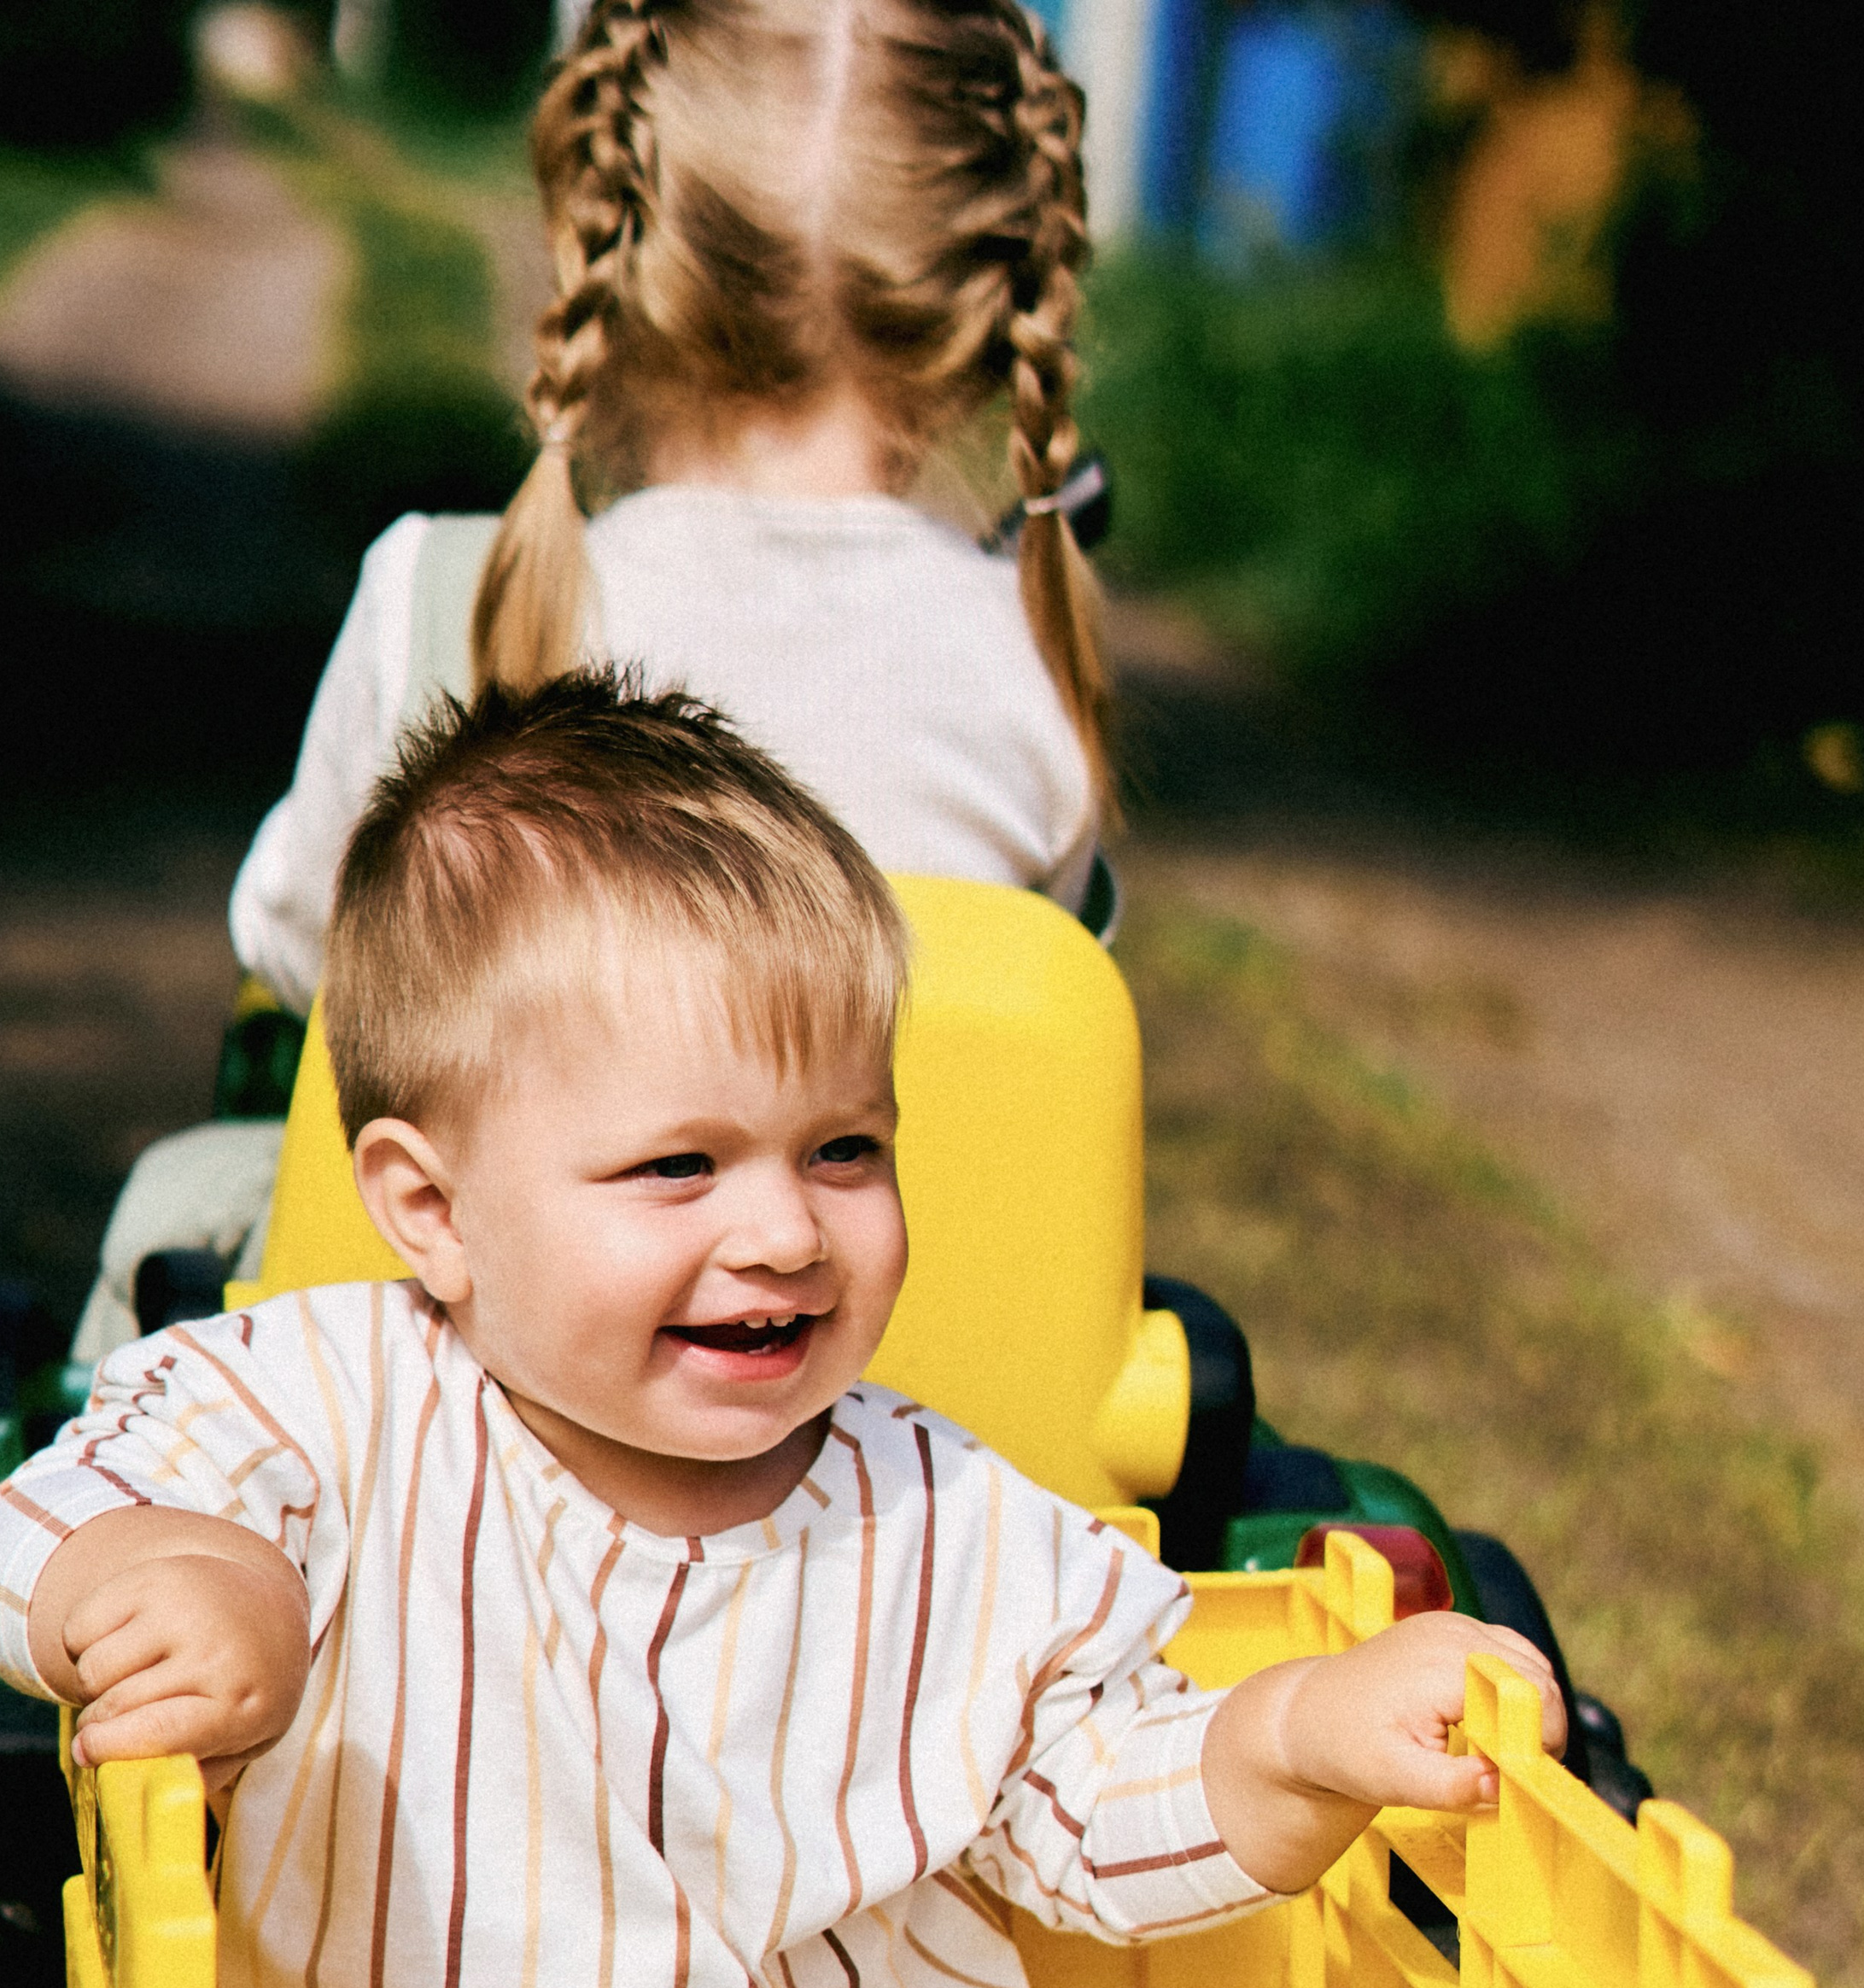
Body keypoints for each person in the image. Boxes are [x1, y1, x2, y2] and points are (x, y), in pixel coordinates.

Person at [0, 677, 1597, 1988]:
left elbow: (1087, 1800)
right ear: (429, 1206)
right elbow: (58, 1516)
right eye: (677, 1166)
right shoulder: (317, 1405)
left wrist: (1289, 1738)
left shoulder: (936, 1505)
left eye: (845, 1147)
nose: (784, 1228)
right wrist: (180, 1586)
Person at [75, 0, 1113, 1362]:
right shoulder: (1032, 658)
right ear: (996, 293)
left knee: (179, 1209)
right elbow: (1029, 1042)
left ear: (608, 239)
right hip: (874, 1397)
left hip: (464, 1402)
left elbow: (298, 951)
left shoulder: (445, 604)